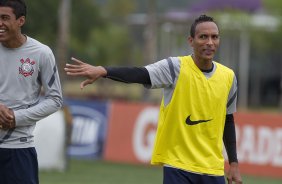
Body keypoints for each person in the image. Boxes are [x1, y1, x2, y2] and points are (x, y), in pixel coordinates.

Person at [64, 14, 242, 184]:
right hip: (178, 165)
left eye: (214, 37)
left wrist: (233, 163)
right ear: (191, 41)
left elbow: (227, 120)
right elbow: (141, 74)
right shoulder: (175, 68)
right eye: (203, 37)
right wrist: (104, 71)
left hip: (213, 169)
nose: (209, 42)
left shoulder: (228, 77)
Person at [0, 0, 63, 183]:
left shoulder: (41, 53)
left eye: (5, 18)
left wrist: (16, 118)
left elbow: (55, 99)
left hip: (18, 149)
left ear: (21, 21)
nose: (0, 23)